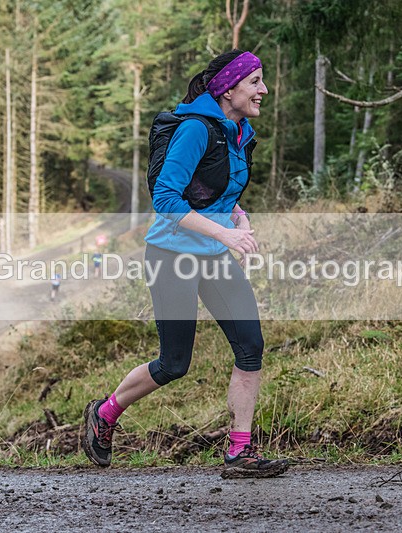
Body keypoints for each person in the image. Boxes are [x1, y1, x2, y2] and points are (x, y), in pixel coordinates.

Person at [82, 49, 288, 479]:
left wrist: (235, 214)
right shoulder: (196, 128)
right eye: (255, 82)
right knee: (174, 363)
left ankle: (240, 451)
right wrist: (226, 234)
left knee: (250, 346)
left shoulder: (238, 131)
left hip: (213, 257)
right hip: (172, 256)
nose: (263, 90)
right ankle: (105, 413)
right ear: (228, 88)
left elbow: (212, 190)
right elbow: (166, 199)